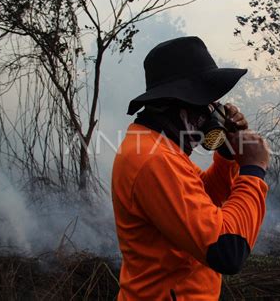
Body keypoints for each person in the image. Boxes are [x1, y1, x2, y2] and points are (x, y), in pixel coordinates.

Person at [112, 36, 270, 300]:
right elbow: (227, 251)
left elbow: (205, 201)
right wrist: (253, 171)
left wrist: (227, 152)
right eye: (206, 102)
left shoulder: (160, 148)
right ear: (174, 104)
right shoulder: (154, 159)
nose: (213, 111)